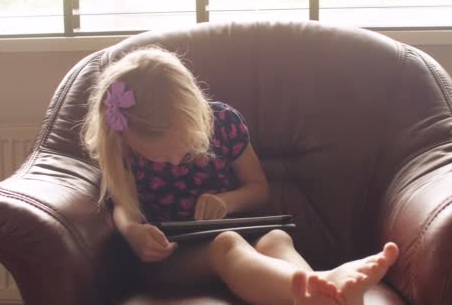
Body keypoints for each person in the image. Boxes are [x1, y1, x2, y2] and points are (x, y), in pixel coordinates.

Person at [81, 46, 399, 305]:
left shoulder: (224, 122)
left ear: (195, 116)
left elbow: (258, 189)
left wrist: (226, 201)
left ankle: (320, 294)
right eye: (161, 156)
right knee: (226, 244)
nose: (175, 160)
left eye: (183, 146)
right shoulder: (124, 140)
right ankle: (327, 287)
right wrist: (133, 232)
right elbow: (122, 201)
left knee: (276, 238)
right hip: (172, 256)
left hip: (241, 227)